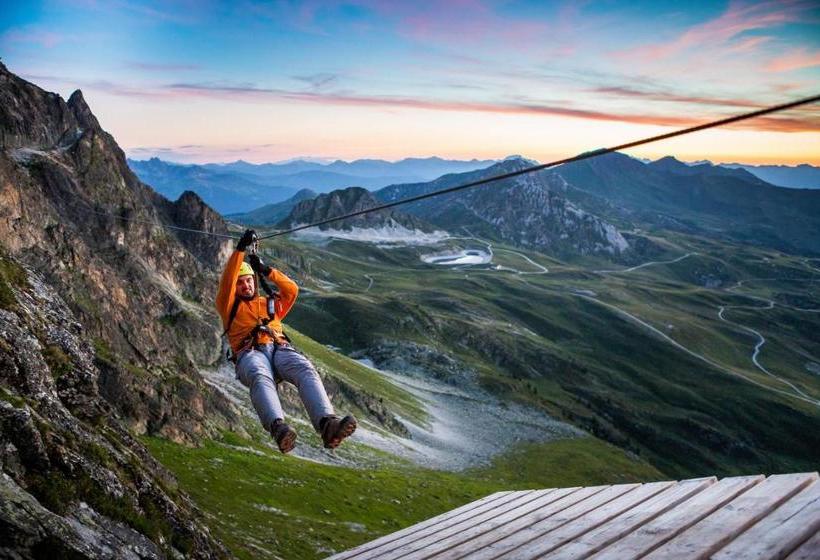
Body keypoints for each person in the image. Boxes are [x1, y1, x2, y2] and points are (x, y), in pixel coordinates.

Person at [215, 229, 357, 453]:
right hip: (250, 353)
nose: (246, 286)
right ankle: (278, 428)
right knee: (259, 375)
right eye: (241, 283)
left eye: (249, 281)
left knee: (305, 368)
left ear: (255, 282)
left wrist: (267, 271)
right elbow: (227, 281)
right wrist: (240, 250)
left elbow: (291, 290)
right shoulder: (229, 306)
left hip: (279, 348)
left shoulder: (268, 303)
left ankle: (327, 424)